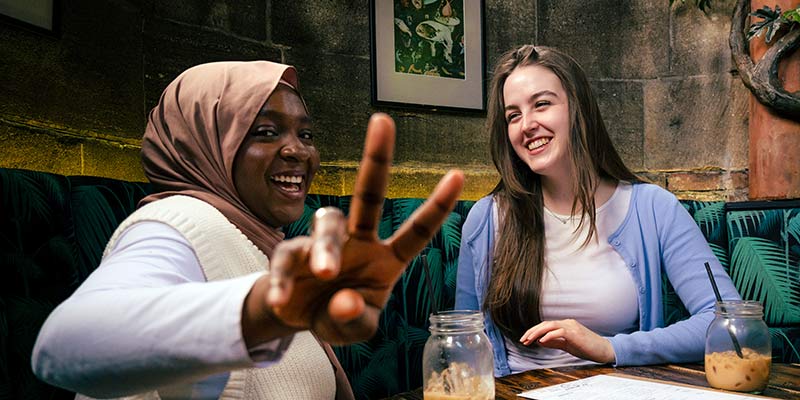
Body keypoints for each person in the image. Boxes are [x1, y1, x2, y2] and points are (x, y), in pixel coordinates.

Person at [31, 60, 464, 399]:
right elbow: (66, 345)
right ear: (201, 142)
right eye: (265, 131)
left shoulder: (255, 239)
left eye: (306, 134)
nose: (298, 151)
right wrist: (265, 310)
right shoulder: (176, 223)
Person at [455, 45, 740, 377]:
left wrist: (609, 348)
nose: (526, 125)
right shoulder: (487, 219)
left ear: (579, 108)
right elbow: (462, 340)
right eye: (513, 115)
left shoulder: (653, 208)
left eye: (542, 104)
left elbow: (728, 322)